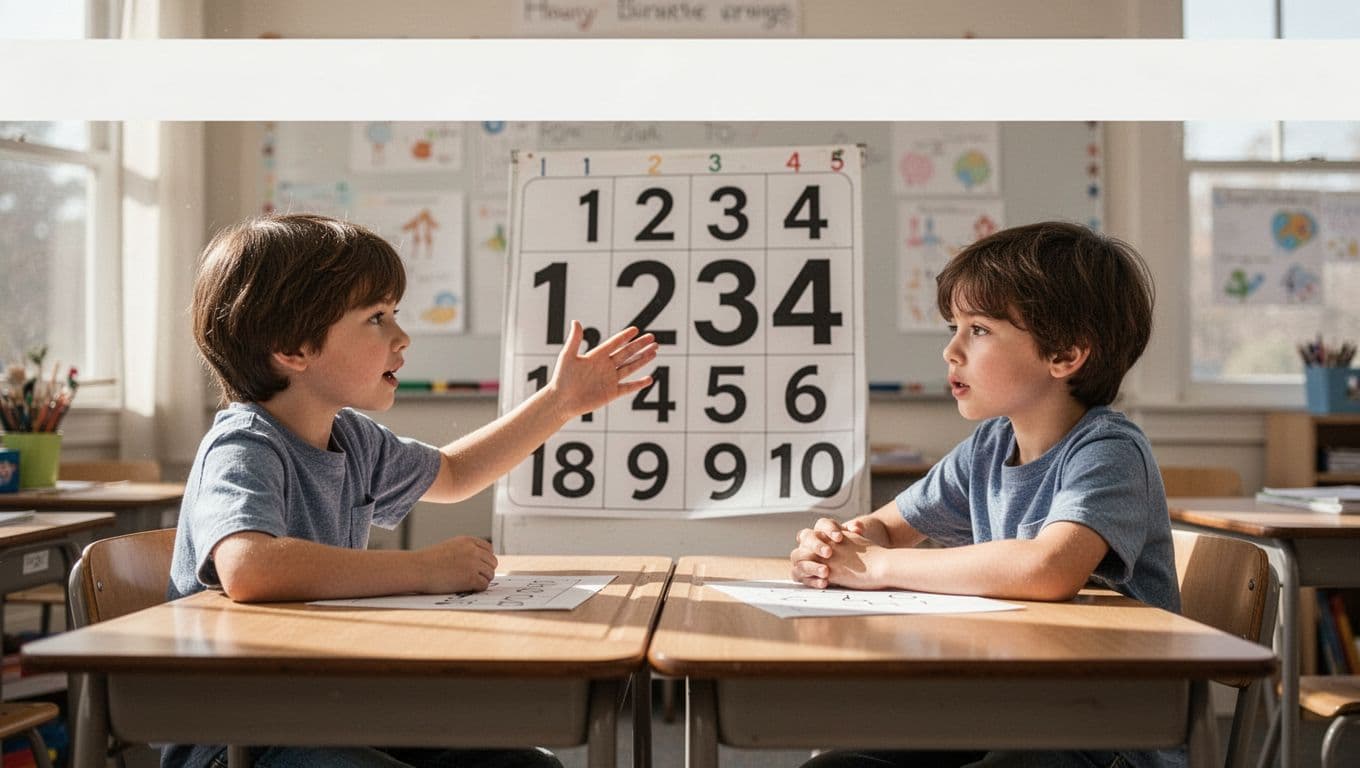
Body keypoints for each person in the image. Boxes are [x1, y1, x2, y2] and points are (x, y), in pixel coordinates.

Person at [167, 214, 658, 768]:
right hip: (238, 738)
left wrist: (560, 402)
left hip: (326, 713)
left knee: (528, 766)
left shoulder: (350, 437)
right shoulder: (243, 445)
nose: (402, 337)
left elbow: (453, 473)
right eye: (377, 318)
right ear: (293, 347)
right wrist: (423, 569)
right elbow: (250, 568)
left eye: (394, 314)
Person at [790, 221, 1181, 768]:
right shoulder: (989, 446)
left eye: (978, 330)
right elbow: (882, 528)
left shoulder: (1110, 452)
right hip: (1008, 709)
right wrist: (834, 547)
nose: (951, 350)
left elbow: (1048, 568)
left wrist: (877, 566)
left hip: (1107, 732)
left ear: (1065, 354)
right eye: (954, 326)